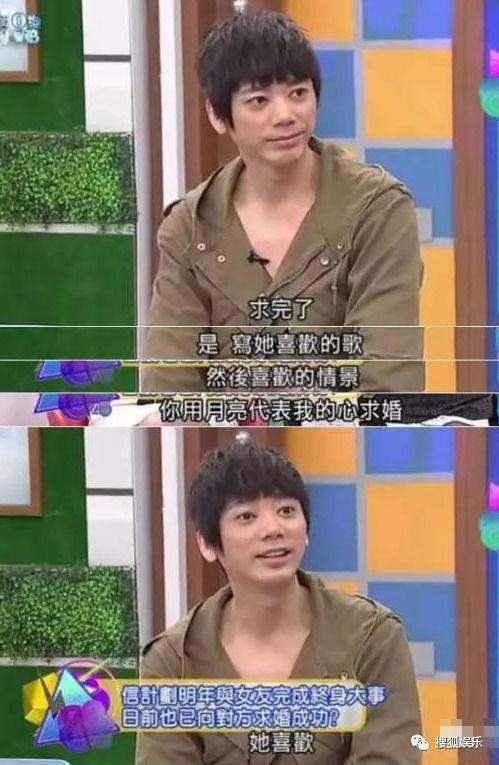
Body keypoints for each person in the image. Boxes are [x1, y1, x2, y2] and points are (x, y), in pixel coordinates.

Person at [142, 9, 424, 397]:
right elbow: (170, 385)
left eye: (298, 94)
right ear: (218, 115)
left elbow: (388, 379)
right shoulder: (191, 227)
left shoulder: (376, 209)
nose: (286, 115)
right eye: (259, 100)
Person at [136, 440, 423, 764]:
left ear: (306, 529)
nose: (273, 529)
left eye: (286, 511)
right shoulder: (173, 662)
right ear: (207, 543)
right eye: (246, 516)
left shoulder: (371, 636)